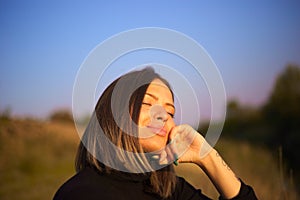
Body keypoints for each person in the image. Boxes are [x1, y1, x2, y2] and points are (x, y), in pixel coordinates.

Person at [53, 67, 257, 200]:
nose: (163, 115)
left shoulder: (170, 190)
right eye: (148, 103)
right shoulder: (81, 193)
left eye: (170, 112)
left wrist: (207, 156)